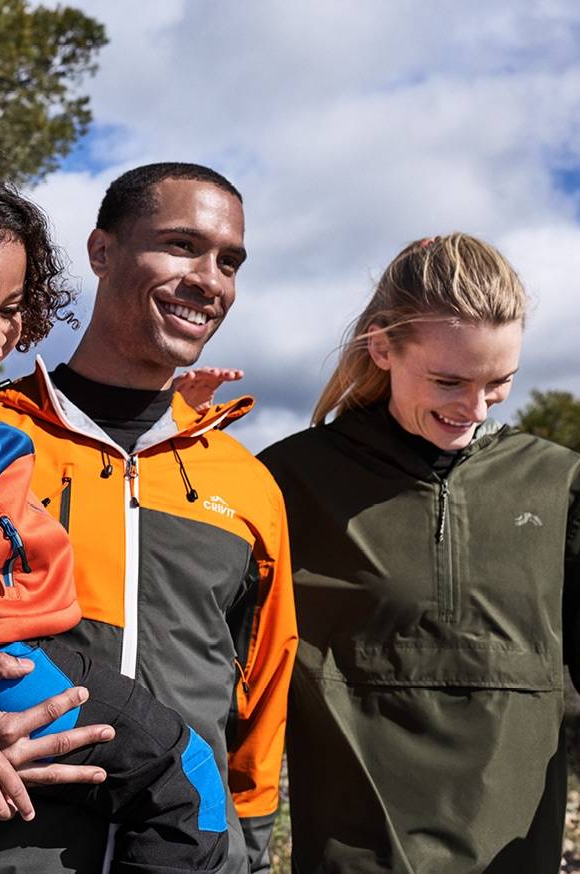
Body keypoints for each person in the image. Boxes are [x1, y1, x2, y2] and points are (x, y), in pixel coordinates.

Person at [0, 161, 297, 874]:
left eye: (230, 262)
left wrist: (247, 857)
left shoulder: (249, 486)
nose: (209, 279)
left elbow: (260, 708)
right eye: (182, 246)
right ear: (101, 251)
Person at [258, 233, 580, 873]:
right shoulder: (289, 481)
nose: (474, 408)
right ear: (382, 347)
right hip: (354, 859)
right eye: (448, 381)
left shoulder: (560, 484)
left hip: (519, 856)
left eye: (499, 383)